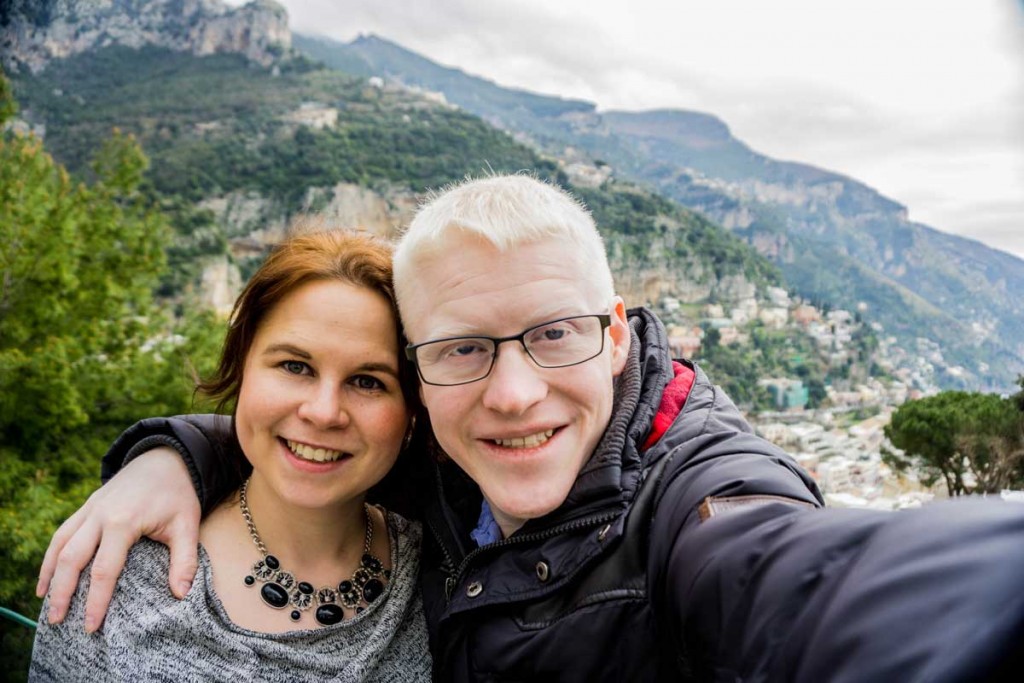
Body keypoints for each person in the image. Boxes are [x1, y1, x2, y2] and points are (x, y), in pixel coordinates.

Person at [39, 176, 1024, 681]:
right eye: (463, 348)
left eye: (553, 335)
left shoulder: (696, 510)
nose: (512, 394)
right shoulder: (423, 472)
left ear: (612, 335)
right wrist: (171, 447)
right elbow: (310, 435)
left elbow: (809, 580)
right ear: (427, 379)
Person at [31, 229, 433, 681]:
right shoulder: (114, 569)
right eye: (295, 366)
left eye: (367, 381)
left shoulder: (446, 568)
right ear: (242, 366)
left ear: (414, 409)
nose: (323, 413)